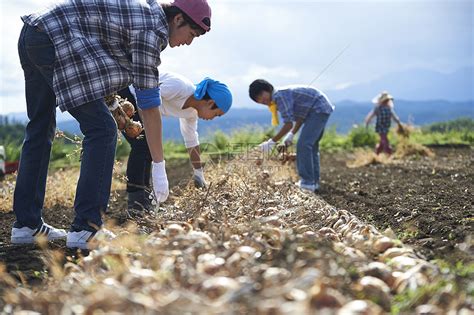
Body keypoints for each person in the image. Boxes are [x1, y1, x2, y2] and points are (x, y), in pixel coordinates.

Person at [11, 0, 212, 249]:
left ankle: (26, 225)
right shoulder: (153, 29)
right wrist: (159, 168)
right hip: (56, 37)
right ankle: (87, 228)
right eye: (191, 34)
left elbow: (102, 55)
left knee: (41, 126)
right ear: (178, 19)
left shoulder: (146, 13)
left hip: (36, 31)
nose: (189, 42)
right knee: (102, 130)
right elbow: (148, 105)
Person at [117, 72, 232, 215]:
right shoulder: (180, 87)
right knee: (143, 145)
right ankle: (136, 205)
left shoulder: (191, 113)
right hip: (128, 94)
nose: (213, 119)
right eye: (216, 114)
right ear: (210, 103)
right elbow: (146, 99)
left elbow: (191, 140)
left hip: (143, 108)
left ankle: (144, 202)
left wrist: (198, 173)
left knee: (147, 147)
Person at [248, 79, 335, 193]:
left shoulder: (279, 97)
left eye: (260, 95)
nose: (261, 100)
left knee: (303, 145)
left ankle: (307, 184)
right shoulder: (278, 98)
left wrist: (271, 143)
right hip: (318, 108)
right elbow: (300, 117)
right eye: (257, 99)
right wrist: (291, 134)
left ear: (268, 89)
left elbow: (288, 124)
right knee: (311, 147)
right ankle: (313, 182)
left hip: (318, 108)